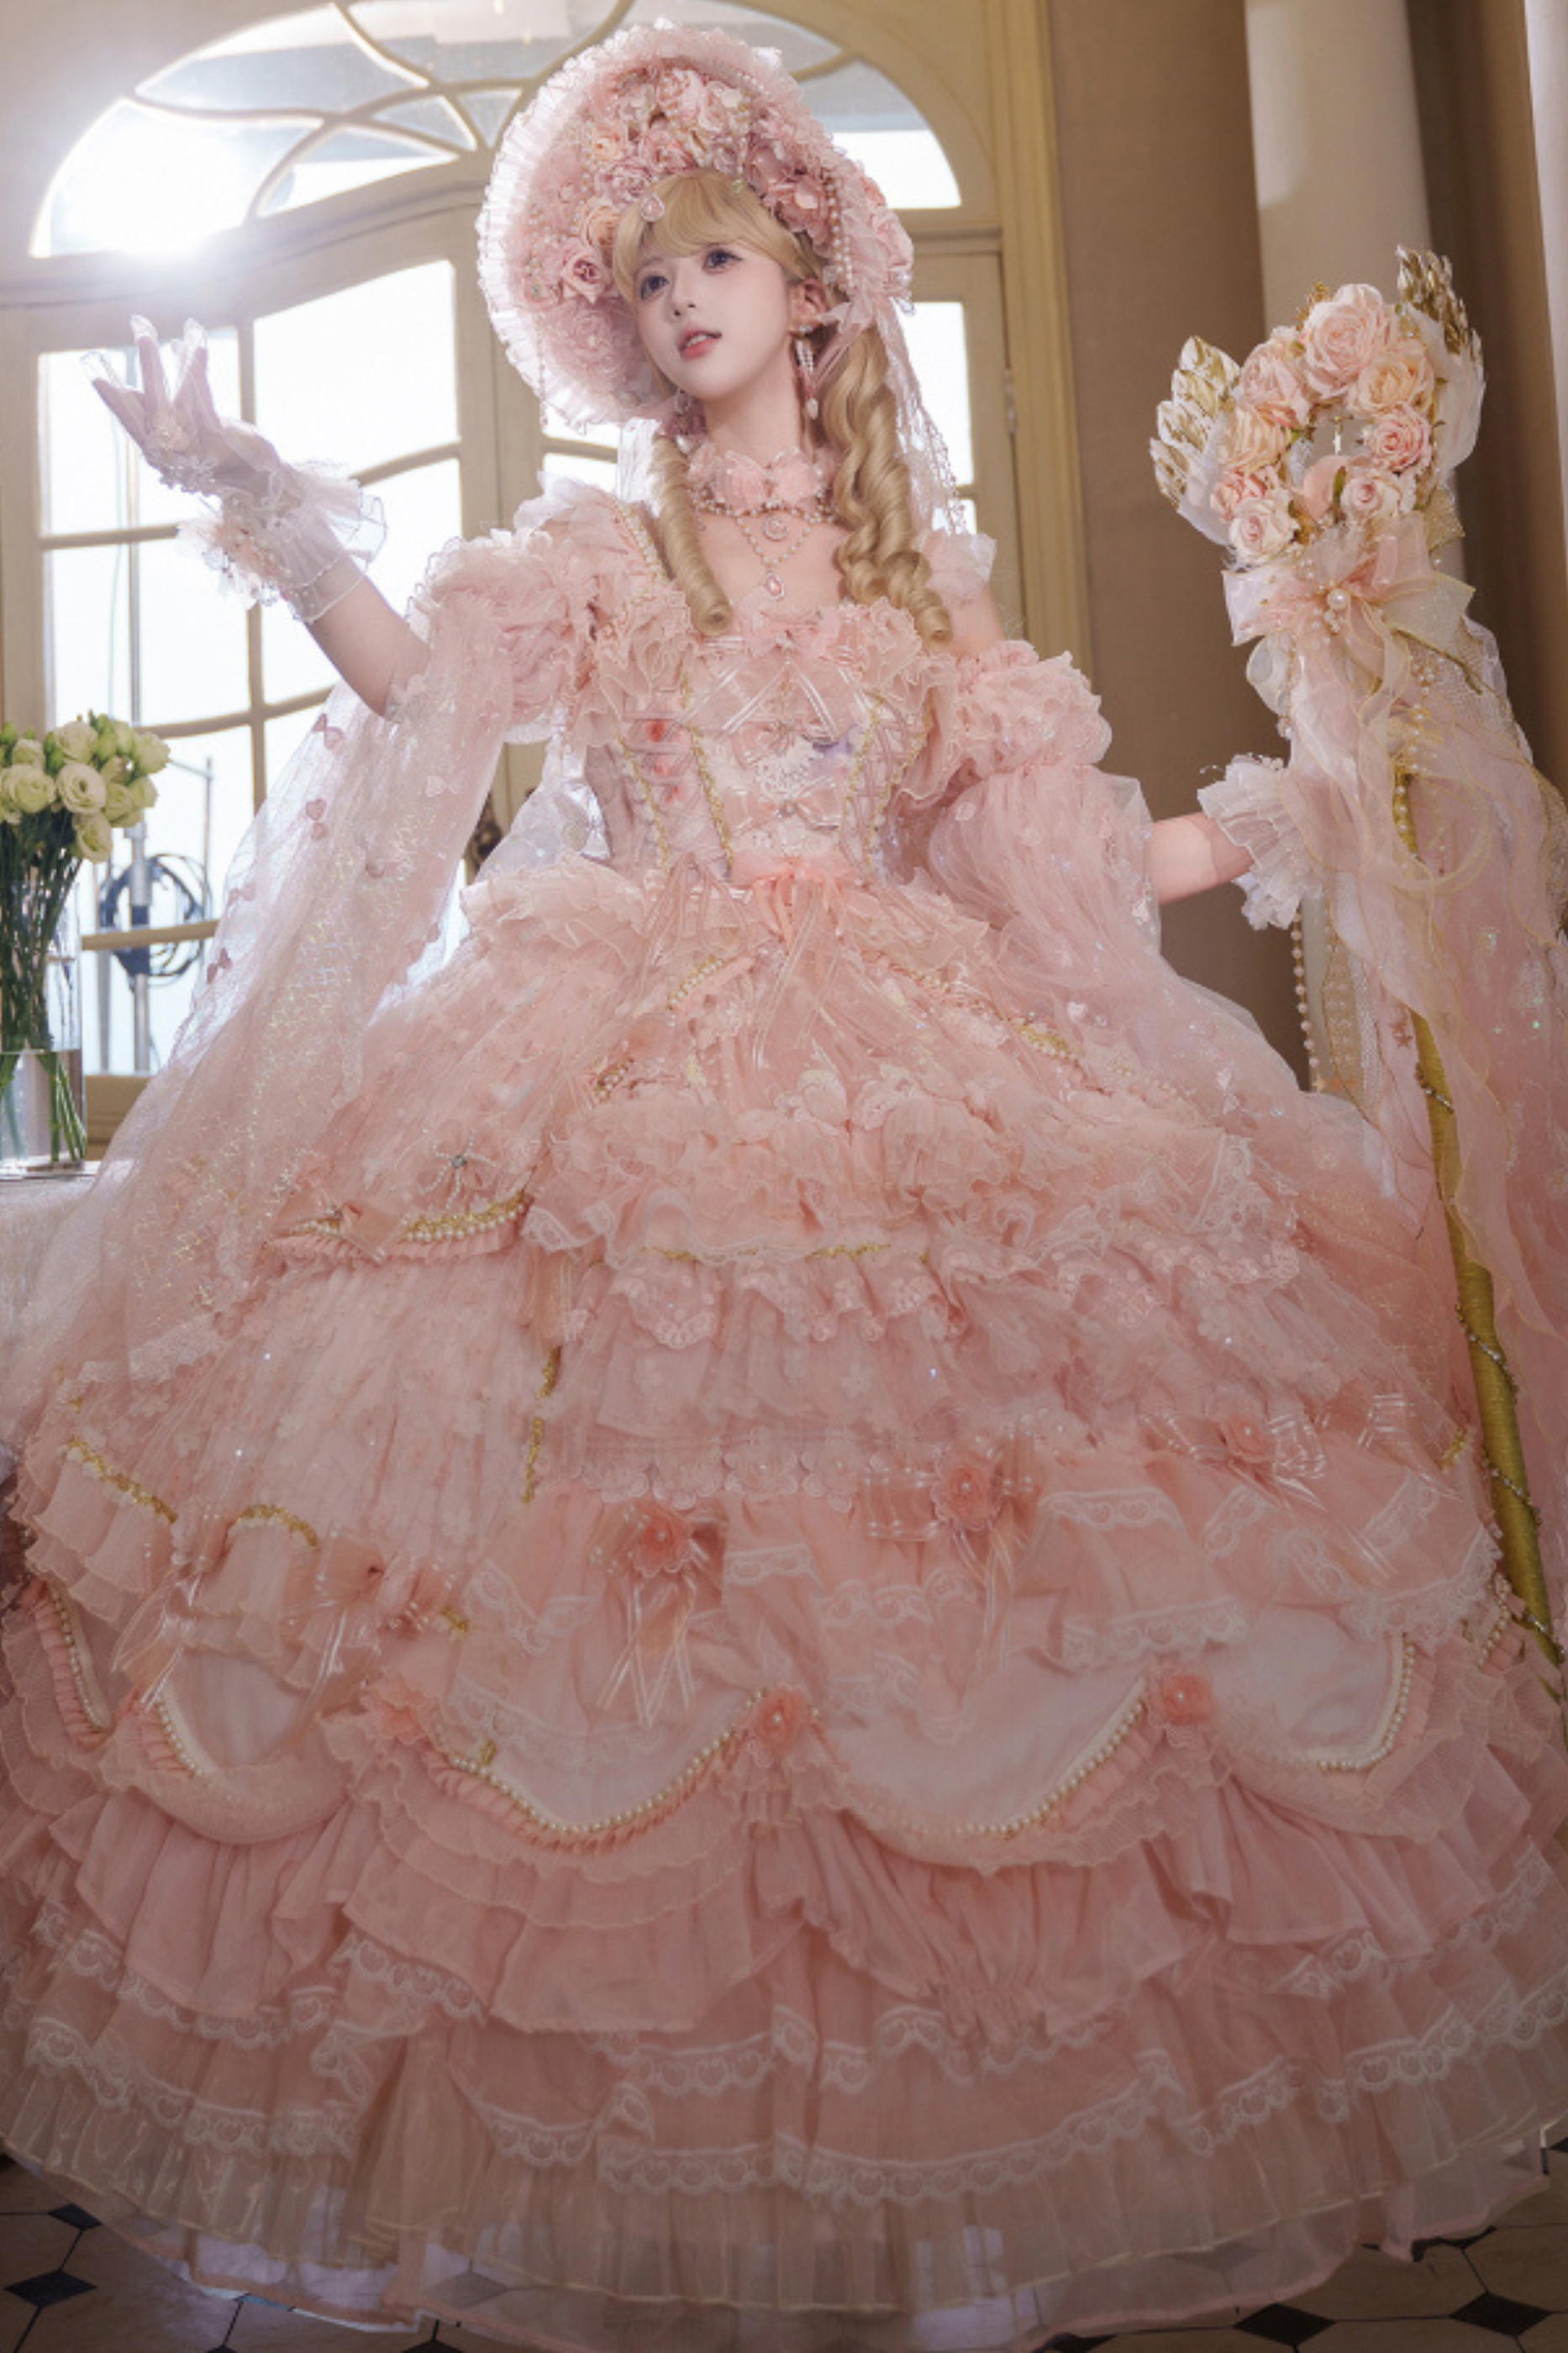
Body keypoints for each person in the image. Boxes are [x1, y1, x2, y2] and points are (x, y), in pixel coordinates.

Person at [3, 24, 1566, 2351]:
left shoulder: (931, 596)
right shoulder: (599, 553)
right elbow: (424, 698)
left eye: (711, 259)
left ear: (811, 285)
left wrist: (1288, 810)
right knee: (600, 1603)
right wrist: (269, 508)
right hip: (615, 1061)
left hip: (923, 1072)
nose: (676, 305)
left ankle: (948, 2144)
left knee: (983, 1600)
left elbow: (1051, 888)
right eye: (642, 280)